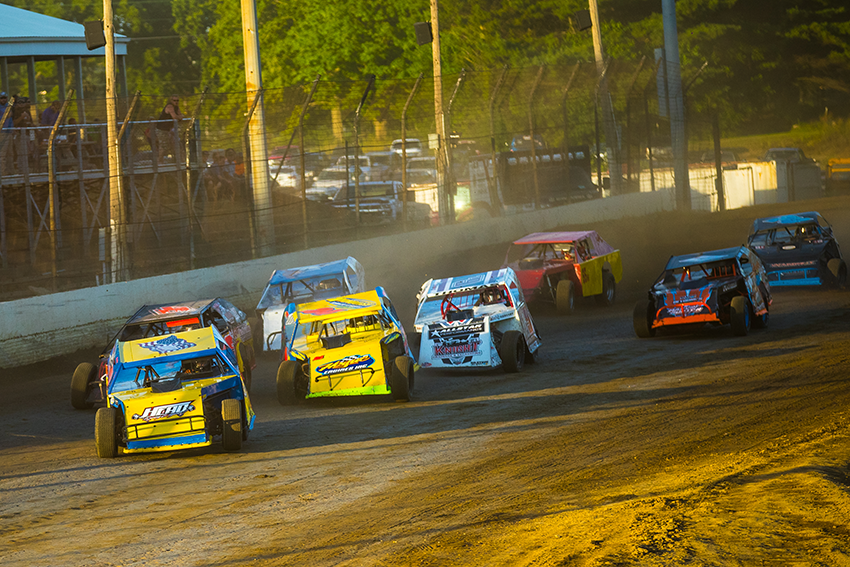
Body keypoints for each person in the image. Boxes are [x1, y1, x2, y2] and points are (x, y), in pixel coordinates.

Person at [156, 95, 184, 162]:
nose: (176, 102)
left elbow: (180, 116)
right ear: (171, 101)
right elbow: (175, 117)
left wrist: (180, 117)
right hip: (161, 129)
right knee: (164, 145)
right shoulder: (170, 106)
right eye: (174, 100)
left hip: (168, 129)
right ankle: (159, 161)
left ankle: (178, 160)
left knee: (174, 144)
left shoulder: (176, 107)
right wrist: (179, 117)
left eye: (177, 100)